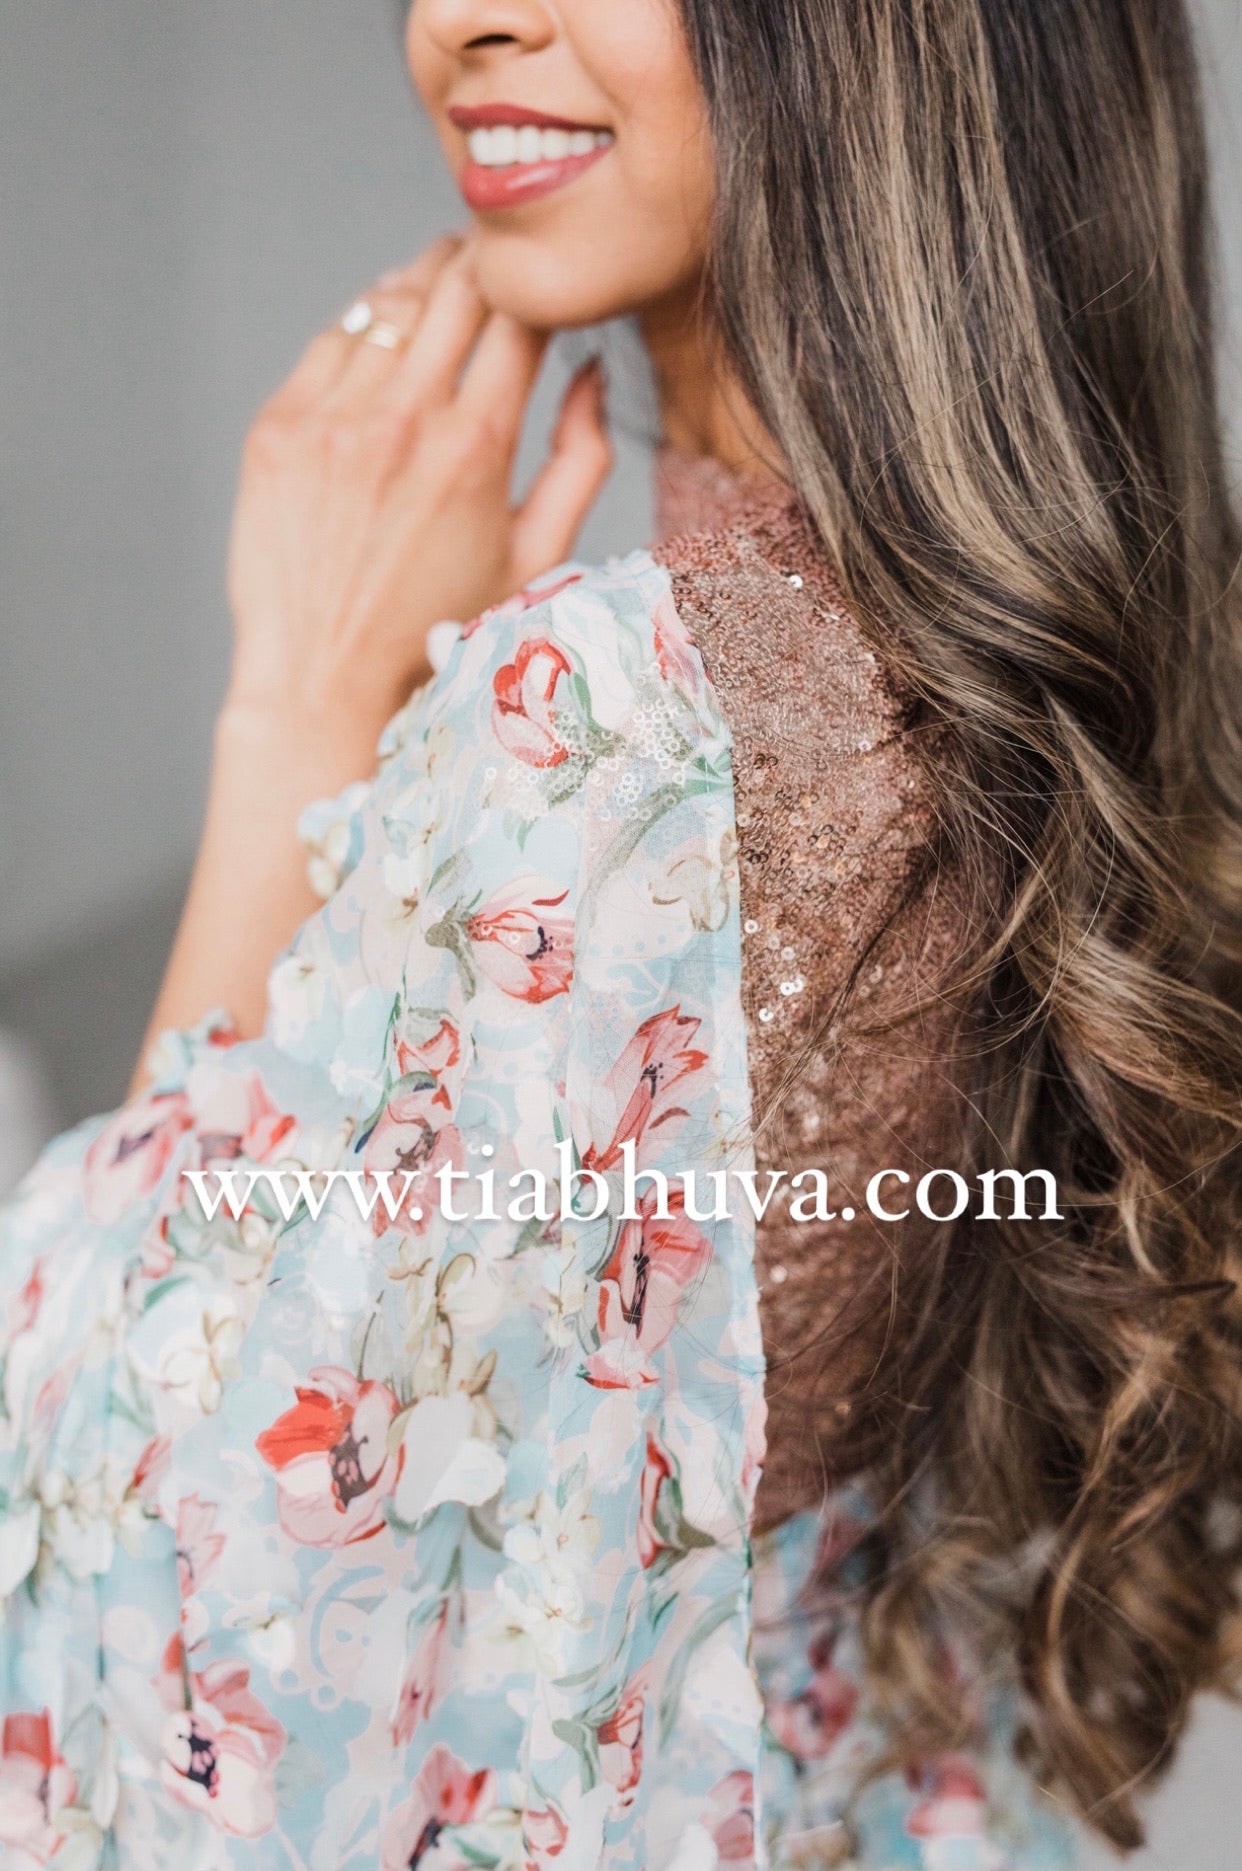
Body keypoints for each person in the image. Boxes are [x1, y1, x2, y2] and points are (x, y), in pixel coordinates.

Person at [3, 1, 1241, 1865]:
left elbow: (159, 1601)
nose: (457, 22)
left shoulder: (607, 726)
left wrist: (300, 708)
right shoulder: (1033, 674)